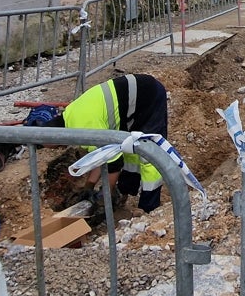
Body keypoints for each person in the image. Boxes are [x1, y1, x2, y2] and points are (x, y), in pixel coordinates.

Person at [41, 73, 169, 212]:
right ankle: (125, 190)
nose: (56, 149)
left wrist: (105, 195)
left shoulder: (83, 127)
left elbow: (114, 163)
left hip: (149, 95)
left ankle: (149, 208)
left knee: (148, 152)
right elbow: (101, 156)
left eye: (54, 146)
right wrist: (89, 186)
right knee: (130, 148)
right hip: (133, 98)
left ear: (57, 136)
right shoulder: (71, 116)